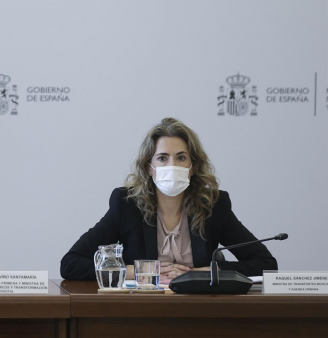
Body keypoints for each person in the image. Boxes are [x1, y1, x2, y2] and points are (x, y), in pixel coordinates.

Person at [60, 117, 277, 283]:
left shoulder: (213, 205)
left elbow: (266, 264)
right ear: (149, 168)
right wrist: (137, 271)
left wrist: (204, 272)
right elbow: (71, 264)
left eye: (181, 157)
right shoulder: (127, 204)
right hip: (142, 309)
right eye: (163, 158)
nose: (172, 165)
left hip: (200, 309)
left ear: (193, 167)